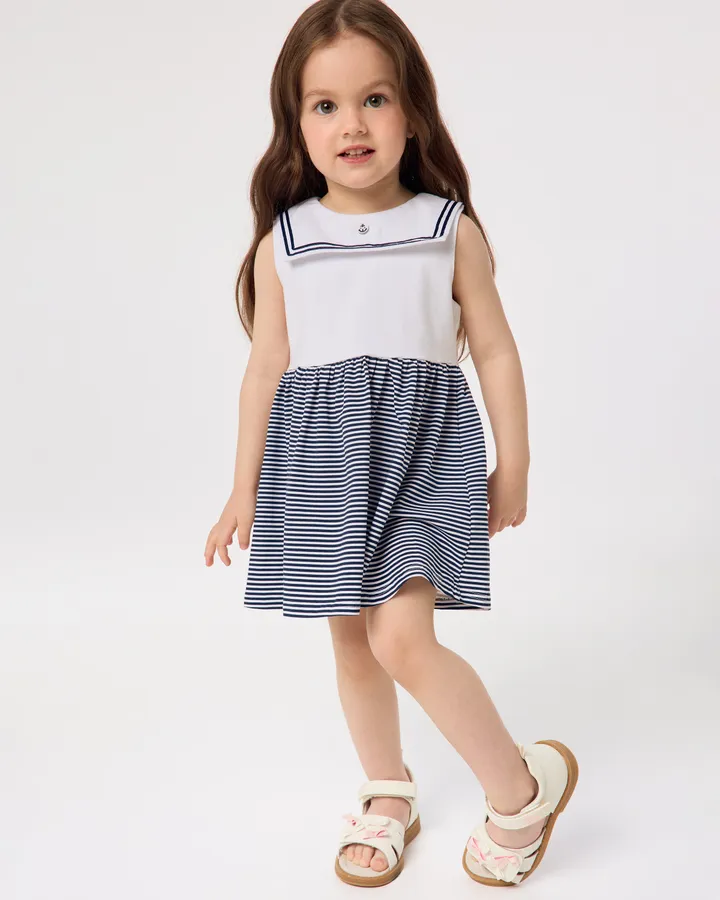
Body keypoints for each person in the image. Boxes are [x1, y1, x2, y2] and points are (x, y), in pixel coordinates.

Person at [204, 0, 578, 888]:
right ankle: (387, 791)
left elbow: (495, 350)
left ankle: (519, 793)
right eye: (325, 105)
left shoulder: (449, 231)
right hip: (322, 462)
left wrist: (515, 463)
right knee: (351, 639)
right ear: (296, 125)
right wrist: (243, 487)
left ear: (412, 112)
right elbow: (265, 370)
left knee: (402, 638)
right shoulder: (286, 244)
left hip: (423, 456)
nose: (353, 124)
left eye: (374, 98)